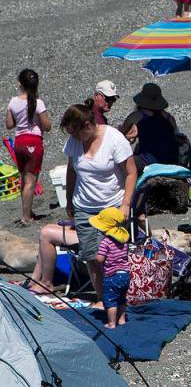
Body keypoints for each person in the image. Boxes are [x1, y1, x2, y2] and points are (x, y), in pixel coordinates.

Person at [60, 104, 138, 300]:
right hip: (84, 207)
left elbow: (131, 172)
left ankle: (119, 301)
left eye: (74, 132)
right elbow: (71, 172)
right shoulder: (74, 143)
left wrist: (126, 204)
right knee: (91, 258)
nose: (73, 137)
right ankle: (105, 300)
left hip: (111, 207)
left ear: (87, 125)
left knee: (113, 258)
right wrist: (69, 201)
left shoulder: (114, 139)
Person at [6, 69, 51, 225]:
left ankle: (28, 211)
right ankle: (26, 216)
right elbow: (47, 126)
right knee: (31, 180)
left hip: (19, 142)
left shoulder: (13, 102)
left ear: (20, 84)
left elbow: (9, 125)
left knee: (24, 179)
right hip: (33, 142)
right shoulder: (38, 103)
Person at [118, 83, 179, 166]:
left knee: (122, 163)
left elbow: (120, 136)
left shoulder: (136, 116)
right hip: (172, 158)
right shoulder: (169, 118)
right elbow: (176, 136)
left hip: (150, 159)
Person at [90, 208, 130, 328]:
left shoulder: (105, 242)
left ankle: (112, 323)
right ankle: (122, 319)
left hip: (112, 276)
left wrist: (97, 260)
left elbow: (100, 259)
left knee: (110, 301)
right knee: (122, 299)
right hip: (125, 275)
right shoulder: (124, 240)